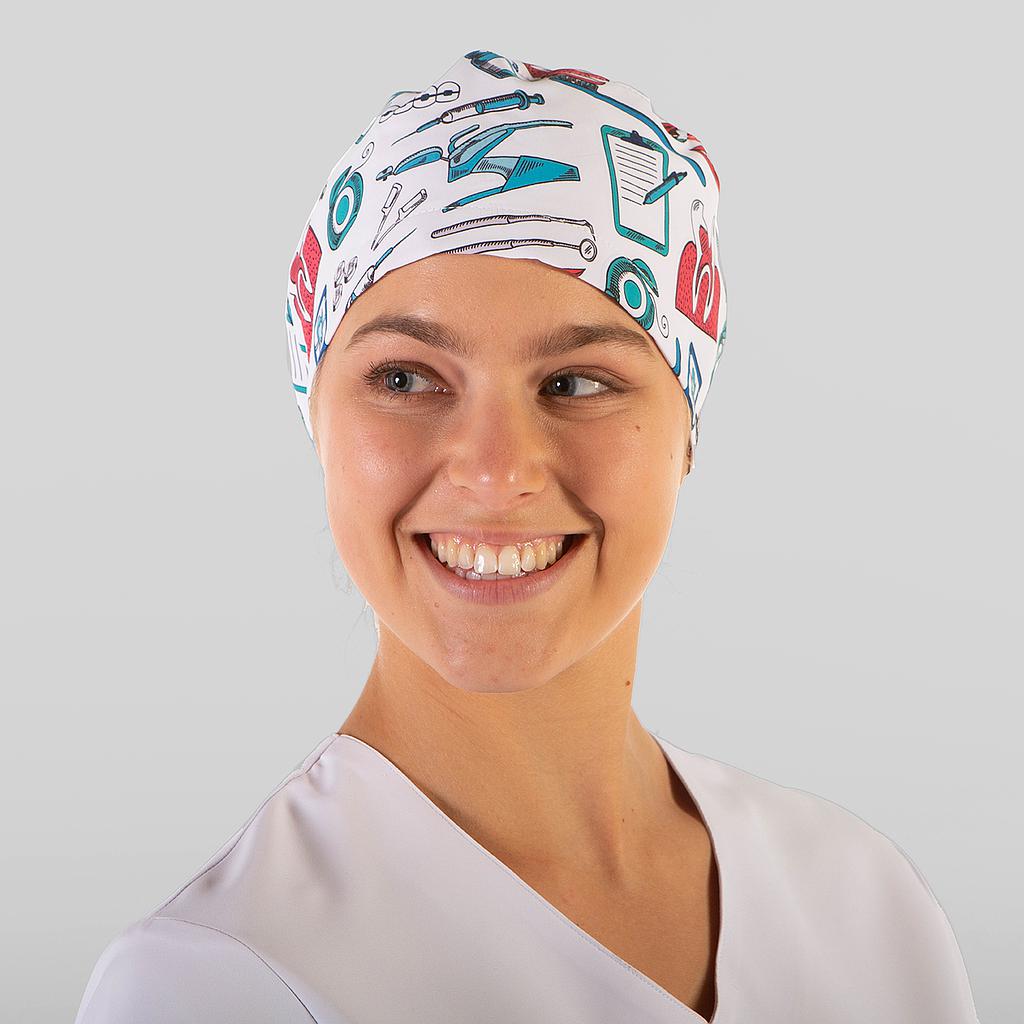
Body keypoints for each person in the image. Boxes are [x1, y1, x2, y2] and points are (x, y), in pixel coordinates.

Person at [73, 50, 979, 1024]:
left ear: (686, 433)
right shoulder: (212, 980)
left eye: (576, 383)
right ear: (316, 418)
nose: (495, 469)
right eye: (405, 379)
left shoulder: (863, 903)